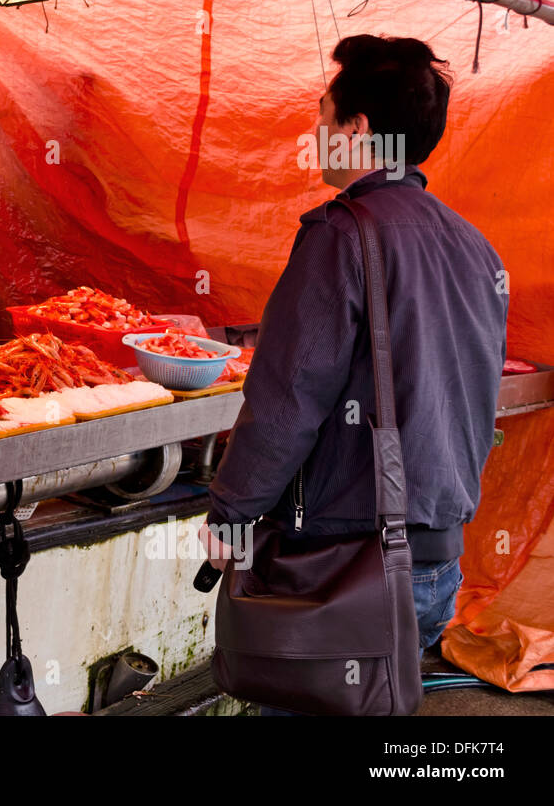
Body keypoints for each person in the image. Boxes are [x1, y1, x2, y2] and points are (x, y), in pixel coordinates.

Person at [198, 35, 508, 714]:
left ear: (356, 129)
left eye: (321, 114)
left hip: (346, 567)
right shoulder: (473, 246)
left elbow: (288, 397)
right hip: (435, 563)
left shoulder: (342, 233)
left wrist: (231, 512)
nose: (314, 130)